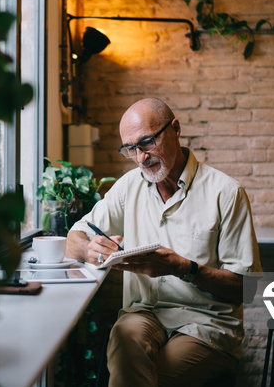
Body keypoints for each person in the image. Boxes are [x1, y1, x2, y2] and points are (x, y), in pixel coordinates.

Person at [65, 98, 262, 387]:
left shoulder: (227, 194)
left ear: (175, 129)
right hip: (143, 315)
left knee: (146, 378)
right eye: (130, 149)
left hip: (206, 324)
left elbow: (247, 288)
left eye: (146, 142)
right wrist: (89, 249)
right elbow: (74, 238)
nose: (141, 157)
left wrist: (183, 268)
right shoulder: (128, 187)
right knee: (124, 338)